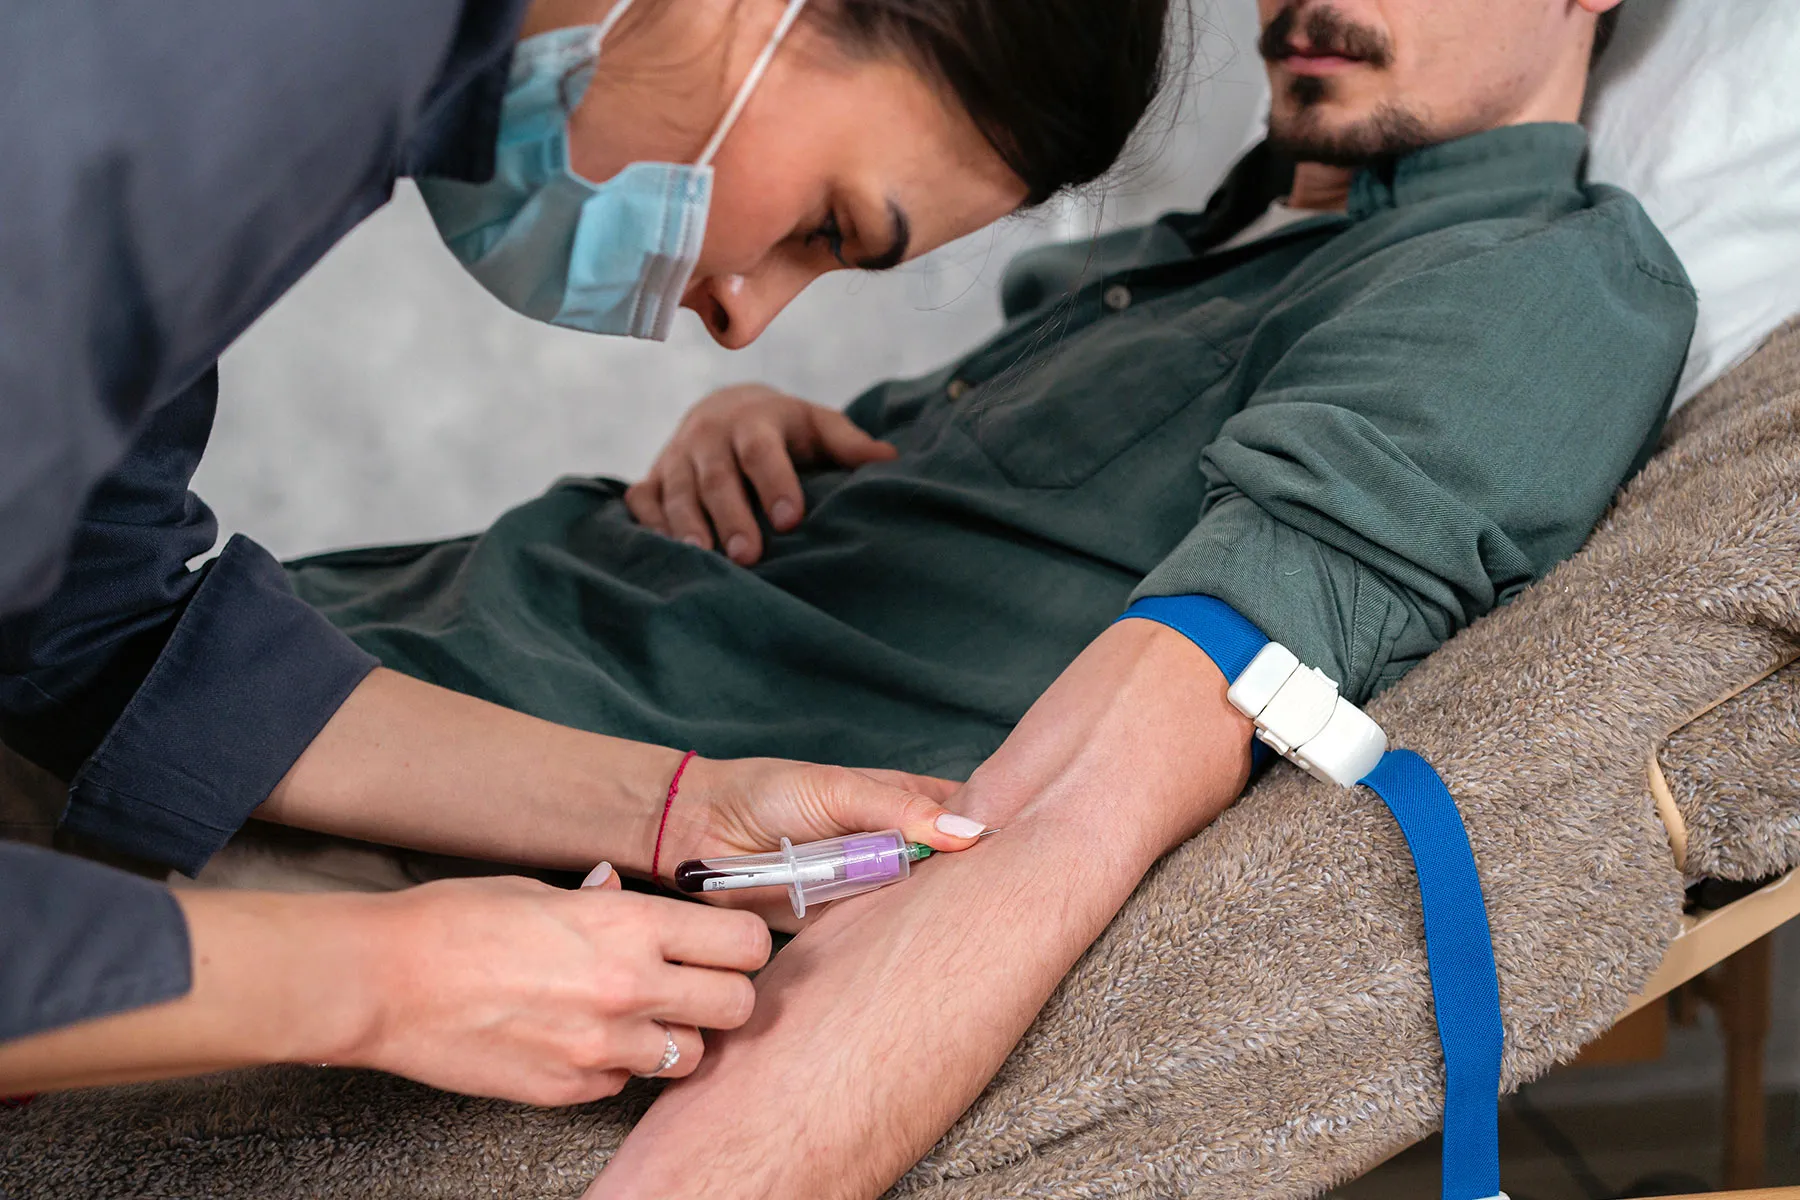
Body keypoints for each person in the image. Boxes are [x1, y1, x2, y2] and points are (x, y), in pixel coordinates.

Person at [162, 0, 1689, 1190]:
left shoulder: (1529, 276)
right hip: (276, 648)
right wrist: (763, 440)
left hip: (396, 792)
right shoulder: (1176, 268)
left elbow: (1095, 786)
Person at [0, 0, 1173, 1099]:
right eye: (829, 224)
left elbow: (85, 629)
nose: (743, 317)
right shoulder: (208, 68)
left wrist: (679, 812)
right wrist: (384, 981)